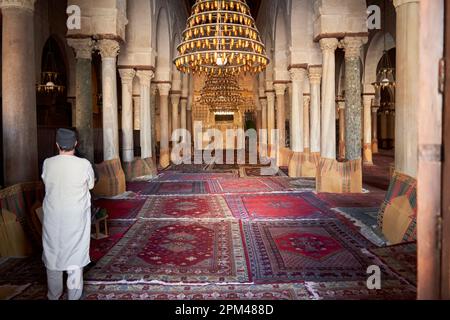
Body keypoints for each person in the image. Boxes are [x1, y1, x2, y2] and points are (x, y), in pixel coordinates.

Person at [41, 128, 95, 300]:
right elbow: (91, 185)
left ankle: (54, 294)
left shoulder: (48, 163)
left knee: (53, 253)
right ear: (76, 144)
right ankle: (73, 295)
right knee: (74, 254)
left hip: (53, 216)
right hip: (75, 218)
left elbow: (45, 180)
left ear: (57, 145)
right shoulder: (83, 164)